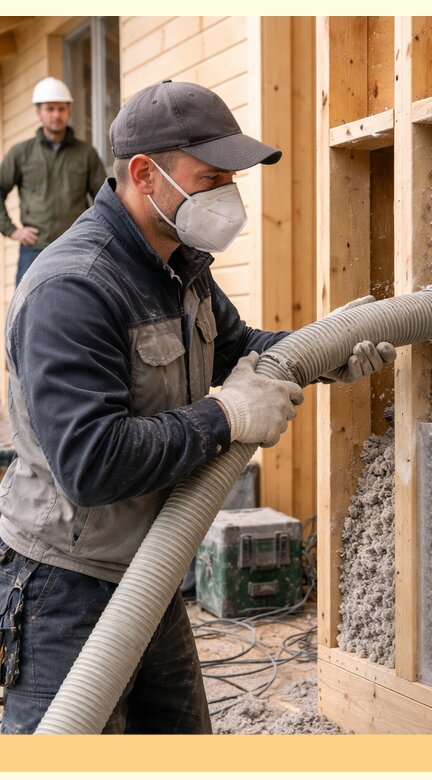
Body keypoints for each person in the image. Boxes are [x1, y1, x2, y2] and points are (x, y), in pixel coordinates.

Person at [0, 80, 396, 734]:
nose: (225, 196)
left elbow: (238, 348)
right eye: (209, 177)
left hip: (150, 568)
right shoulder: (72, 289)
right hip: (63, 589)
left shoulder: (181, 263)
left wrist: (331, 350)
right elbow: (91, 465)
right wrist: (226, 418)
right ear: (143, 175)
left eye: (230, 179)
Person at [0, 77, 106, 285]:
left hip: (77, 245)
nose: (56, 115)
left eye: (61, 108)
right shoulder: (21, 153)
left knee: (79, 305)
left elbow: (104, 197)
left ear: (69, 111)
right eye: (50, 109)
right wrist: (12, 230)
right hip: (34, 249)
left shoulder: (86, 153)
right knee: (27, 307)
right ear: (39, 112)